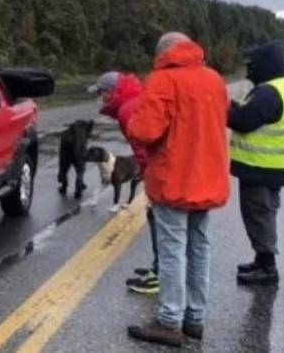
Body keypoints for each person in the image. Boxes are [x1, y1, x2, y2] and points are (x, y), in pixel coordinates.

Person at [125, 32, 230, 347]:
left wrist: (132, 123)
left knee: (172, 250)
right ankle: (195, 318)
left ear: (162, 53)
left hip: (174, 179)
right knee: (200, 248)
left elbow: (145, 130)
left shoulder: (162, 80)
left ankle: (170, 320)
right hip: (208, 178)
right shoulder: (214, 80)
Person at [228, 40, 284, 286]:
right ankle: (262, 260)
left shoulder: (268, 92)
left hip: (260, 167)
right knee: (264, 213)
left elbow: (242, 120)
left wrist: (223, 107)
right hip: (272, 167)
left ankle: (267, 267)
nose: (249, 70)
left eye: (253, 65)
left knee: (259, 214)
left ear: (265, 65)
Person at [88, 71, 158, 295]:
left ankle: (160, 275)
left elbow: (142, 147)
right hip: (166, 168)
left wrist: (149, 178)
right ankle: (160, 269)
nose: (99, 98)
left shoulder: (127, 110)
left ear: (111, 92)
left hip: (161, 173)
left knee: (159, 219)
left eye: (100, 93)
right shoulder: (135, 100)